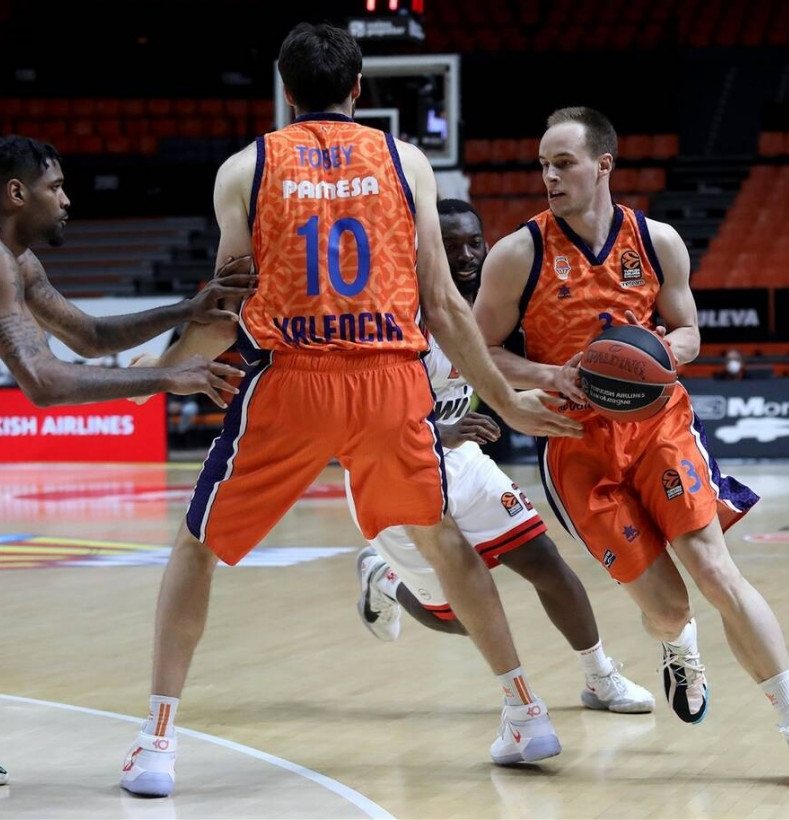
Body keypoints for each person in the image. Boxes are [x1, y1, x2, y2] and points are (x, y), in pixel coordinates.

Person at [119, 24, 584, 798]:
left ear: (285, 91)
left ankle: (157, 743)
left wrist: (162, 372)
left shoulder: (245, 168)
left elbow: (225, 307)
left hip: (290, 383)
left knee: (196, 551)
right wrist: (508, 401)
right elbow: (444, 305)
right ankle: (526, 712)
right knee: (443, 539)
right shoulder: (407, 162)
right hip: (389, 381)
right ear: (359, 89)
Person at [473, 106, 789, 792]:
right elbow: (477, 349)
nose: (549, 176)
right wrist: (549, 375)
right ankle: (677, 644)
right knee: (668, 607)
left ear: (603, 165)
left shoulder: (657, 241)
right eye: (543, 165)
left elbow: (688, 332)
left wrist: (661, 352)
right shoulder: (517, 254)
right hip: (575, 442)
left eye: (563, 163)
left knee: (715, 571)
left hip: (658, 424)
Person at [0, 135, 253, 785]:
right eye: (56, 187)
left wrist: (186, 310)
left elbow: (88, 337)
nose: (67, 200)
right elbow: (43, 382)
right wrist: (167, 377)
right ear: (16, 193)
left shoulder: (21, 263)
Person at [350, 199, 654, 727]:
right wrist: (436, 431)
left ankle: (600, 675)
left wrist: (541, 390)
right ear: (424, 249)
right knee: (459, 619)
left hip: (462, 461)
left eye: (474, 243)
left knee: (546, 563)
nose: (467, 255)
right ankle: (384, 579)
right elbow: (355, 414)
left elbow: (500, 365)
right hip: (391, 468)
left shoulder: (490, 304)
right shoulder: (391, 312)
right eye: (450, 246)